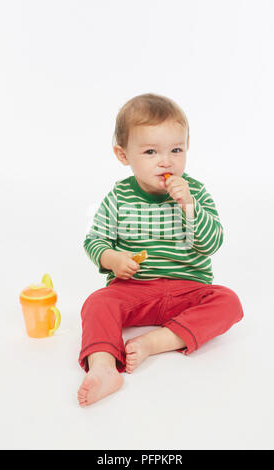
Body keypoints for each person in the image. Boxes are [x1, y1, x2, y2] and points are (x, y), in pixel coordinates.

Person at [77, 93, 244, 407]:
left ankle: (157, 342)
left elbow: (213, 243)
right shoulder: (119, 196)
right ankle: (103, 368)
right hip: (136, 288)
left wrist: (189, 208)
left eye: (176, 150)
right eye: (151, 151)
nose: (166, 161)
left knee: (229, 302)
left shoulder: (194, 192)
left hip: (188, 289)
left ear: (187, 149)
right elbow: (94, 240)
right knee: (97, 303)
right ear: (123, 154)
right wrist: (112, 258)